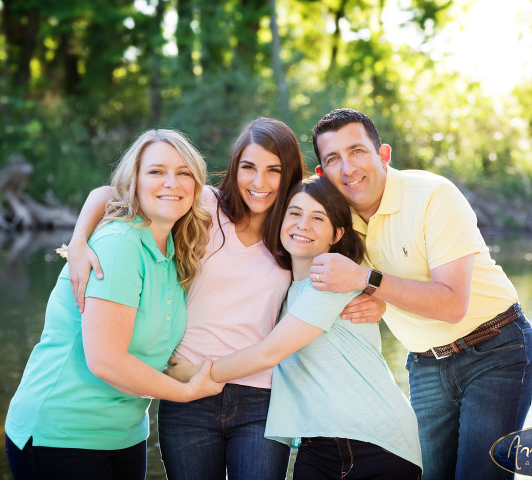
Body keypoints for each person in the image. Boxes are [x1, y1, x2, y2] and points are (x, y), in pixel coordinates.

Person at [306, 108, 532, 480]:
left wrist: (366, 279)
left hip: (494, 350)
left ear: (383, 155)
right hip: (425, 365)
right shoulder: (335, 218)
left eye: (357, 151)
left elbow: (450, 304)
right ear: (322, 173)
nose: (347, 168)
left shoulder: (432, 195)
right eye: (333, 159)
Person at [4, 129, 224, 480]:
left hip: (123, 435)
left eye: (184, 173)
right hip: (61, 434)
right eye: (156, 171)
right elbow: (106, 361)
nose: (172, 182)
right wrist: (185, 392)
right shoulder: (120, 243)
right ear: (133, 181)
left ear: (197, 186)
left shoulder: (172, 251)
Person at [168, 175, 423, 480]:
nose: (303, 225)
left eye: (318, 217)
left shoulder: (331, 281)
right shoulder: (288, 289)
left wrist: (195, 373)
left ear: (337, 233)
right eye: (295, 213)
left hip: (375, 442)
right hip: (317, 447)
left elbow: (268, 353)